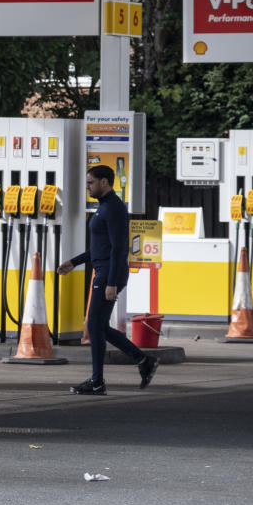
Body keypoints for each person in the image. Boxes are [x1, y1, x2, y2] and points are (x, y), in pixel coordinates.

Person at [56, 164, 158, 395]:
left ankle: (98, 381)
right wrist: (74, 262)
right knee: (98, 325)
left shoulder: (113, 208)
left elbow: (119, 248)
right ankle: (142, 361)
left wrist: (111, 281)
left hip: (108, 274)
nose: (88, 187)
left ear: (104, 182)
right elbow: (99, 248)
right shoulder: (104, 207)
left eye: (91, 182)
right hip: (104, 271)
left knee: (94, 325)